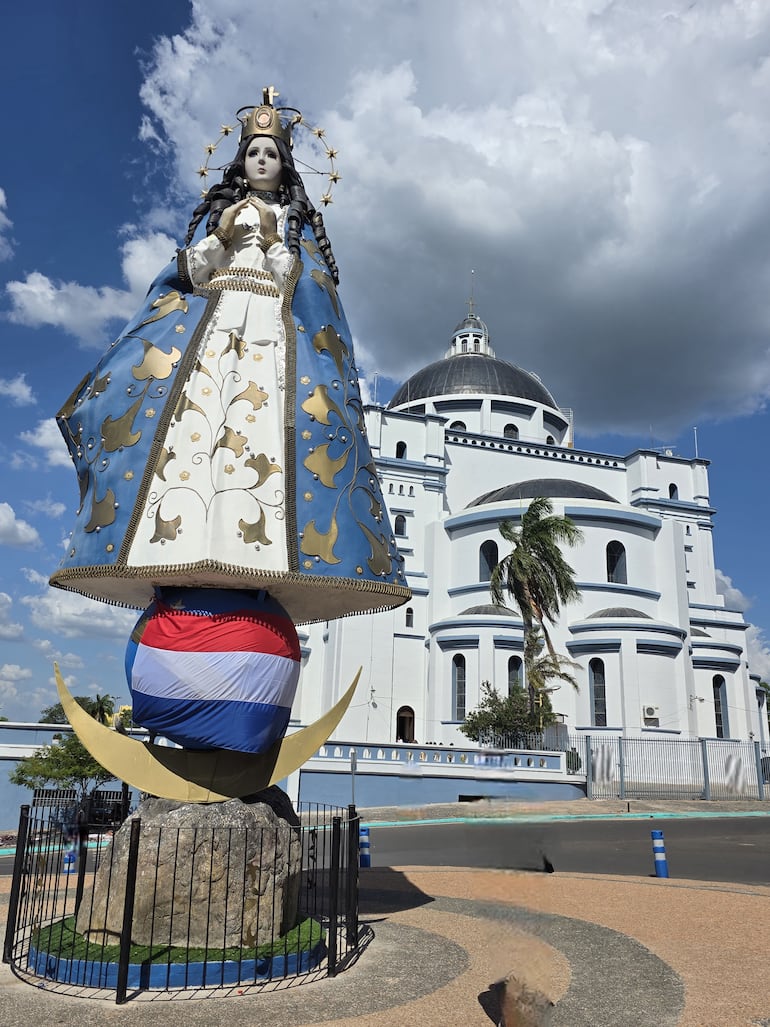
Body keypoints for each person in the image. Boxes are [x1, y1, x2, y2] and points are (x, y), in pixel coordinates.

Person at [50, 91, 409, 627]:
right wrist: (219, 236)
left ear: (284, 165)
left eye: (272, 153)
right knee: (199, 424)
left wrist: (275, 240)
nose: (262, 160)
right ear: (239, 160)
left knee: (260, 422)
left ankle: (257, 541)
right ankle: (187, 532)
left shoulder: (294, 222)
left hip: (270, 329)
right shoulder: (219, 214)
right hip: (215, 321)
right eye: (253, 152)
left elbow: (303, 283)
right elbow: (191, 275)